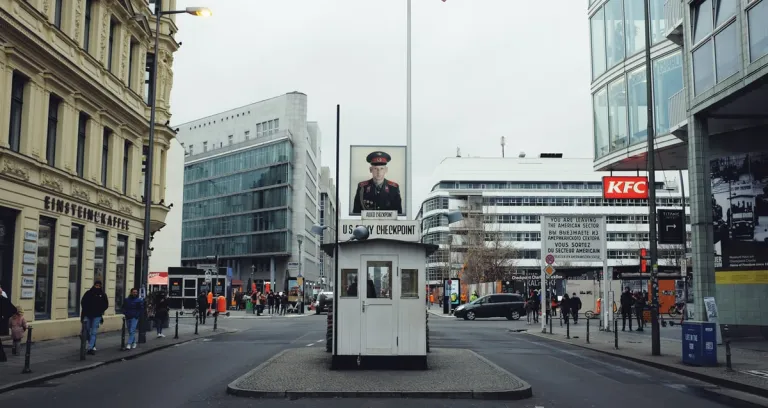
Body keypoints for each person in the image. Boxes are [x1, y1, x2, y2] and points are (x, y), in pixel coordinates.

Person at [81, 281, 109, 355]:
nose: (97, 287)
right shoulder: (88, 293)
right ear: (94, 285)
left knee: (94, 332)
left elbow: (106, 304)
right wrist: (86, 310)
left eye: (99, 286)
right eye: (96, 285)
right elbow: (83, 302)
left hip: (97, 315)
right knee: (86, 330)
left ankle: (90, 348)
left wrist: (100, 310)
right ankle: (92, 344)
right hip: (88, 314)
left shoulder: (102, 294)